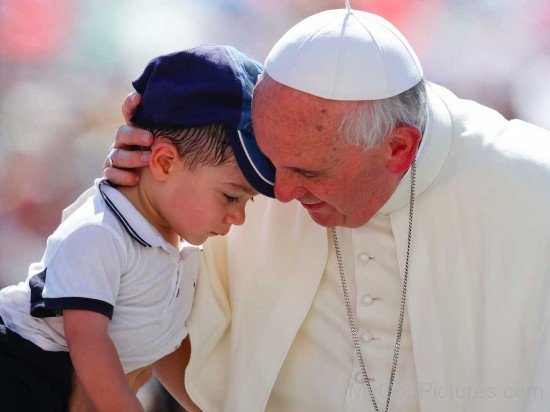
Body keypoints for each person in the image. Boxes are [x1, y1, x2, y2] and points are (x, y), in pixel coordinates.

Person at [108, 7, 550, 412]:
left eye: (307, 171)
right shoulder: (242, 162)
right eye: (271, 160)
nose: (278, 192)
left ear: (398, 148)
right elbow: (129, 287)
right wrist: (137, 191)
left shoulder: (532, 189)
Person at [0, 45, 275, 412]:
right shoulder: (99, 233)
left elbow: (161, 342)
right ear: (163, 162)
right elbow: (87, 342)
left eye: (248, 201)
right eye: (230, 197)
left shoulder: (173, 249)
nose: (238, 216)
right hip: (21, 370)